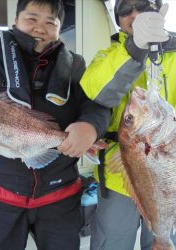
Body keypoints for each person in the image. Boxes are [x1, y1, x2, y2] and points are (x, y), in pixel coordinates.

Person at [0, 0, 110, 249]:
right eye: (31, 18)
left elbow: (95, 104)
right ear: (16, 20)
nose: (39, 28)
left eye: (49, 22)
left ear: (59, 28)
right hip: (0, 193)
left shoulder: (75, 64)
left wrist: (90, 126)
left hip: (60, 194)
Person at [80, 0, 176, 249]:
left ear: (157, 8)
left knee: (163, 235)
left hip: (169, 176)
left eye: (143, 5)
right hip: (117, 177)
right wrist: (135, 49)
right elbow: (96, 91)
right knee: (112, 242)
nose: (134, 14)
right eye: (125, 10)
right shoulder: (107, 55)